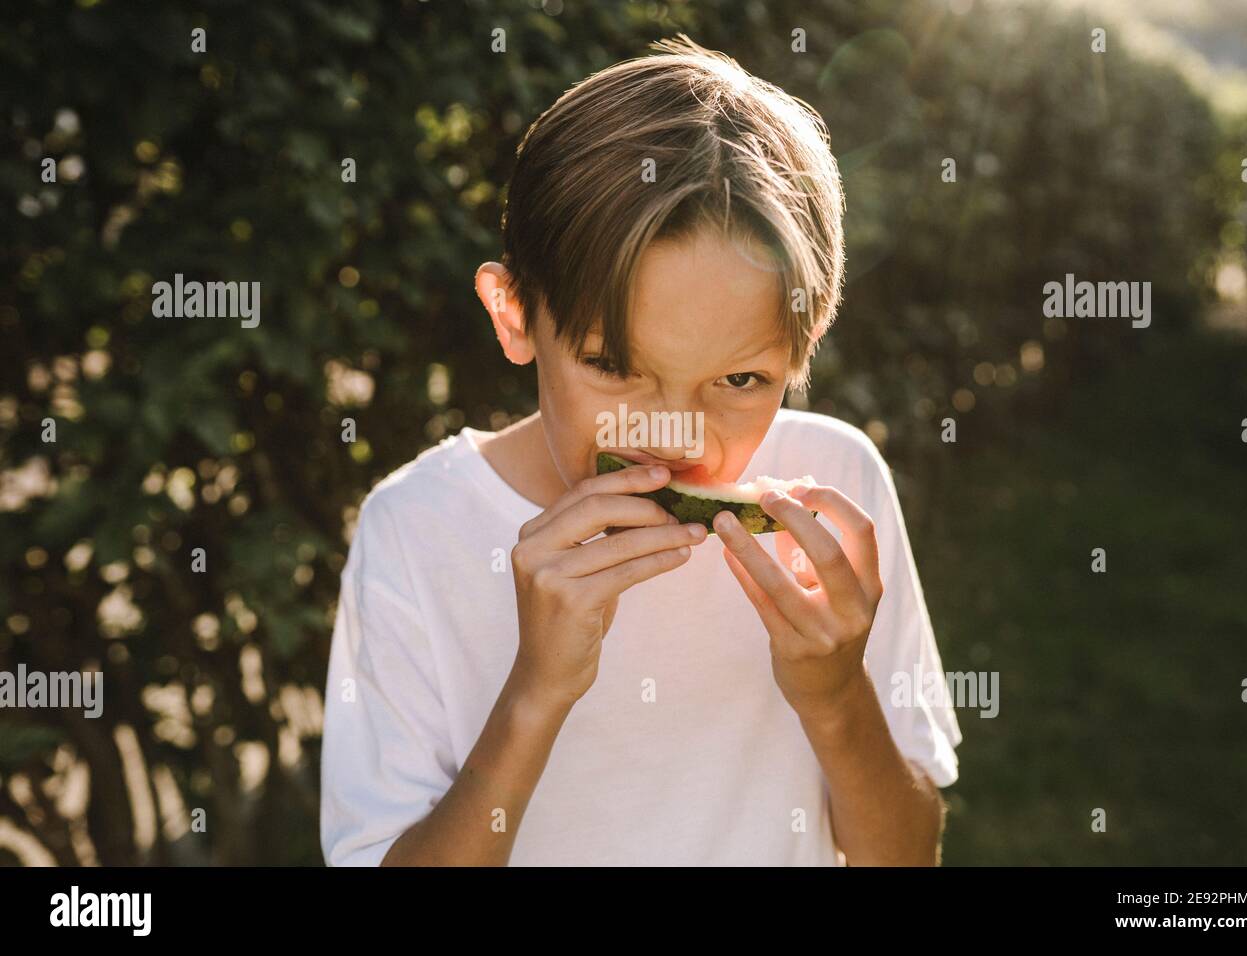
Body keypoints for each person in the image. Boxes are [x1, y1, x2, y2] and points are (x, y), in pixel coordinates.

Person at [320, 36, 961, 866]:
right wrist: (536, 692)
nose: (676, 433)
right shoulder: (414, 529)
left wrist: (836, 697)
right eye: (616, 366)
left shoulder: (837, 492)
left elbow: (906, 854)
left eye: (738, 378)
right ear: (513, 314)